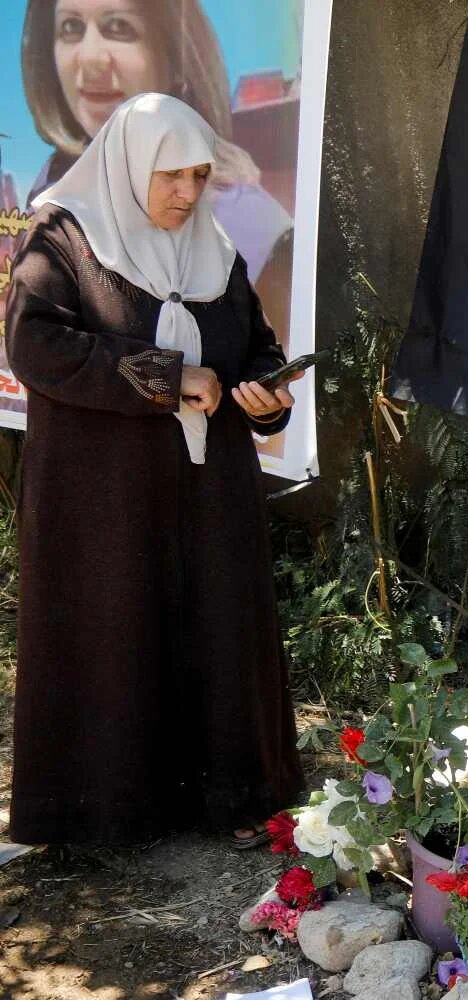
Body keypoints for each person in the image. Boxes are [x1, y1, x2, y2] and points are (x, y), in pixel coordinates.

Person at [4, 93, 303, 846]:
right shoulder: (62, 240)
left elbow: (257, 349)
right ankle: (104, 812)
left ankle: (229, 798)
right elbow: (36, 347)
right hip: (103, 498)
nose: (189, 193)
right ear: (130, 166)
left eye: (200, 175)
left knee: (218, 631)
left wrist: (265, 398)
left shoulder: (215, 251)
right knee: (115, 632)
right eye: (172, 175)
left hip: (210, 493)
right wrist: (166, 377)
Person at [20, 0, 293, 333]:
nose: (90, 58)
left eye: (119, 27)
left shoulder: (248, 223)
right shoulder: (53, 185)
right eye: (71, 27)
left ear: (175, 57)